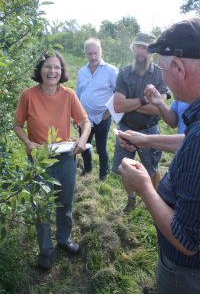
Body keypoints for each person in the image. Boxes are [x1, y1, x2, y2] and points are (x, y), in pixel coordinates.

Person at [118, 18, 200, 294]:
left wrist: (144, 188)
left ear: (177, 67)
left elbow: (187, 241)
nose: (163, 77)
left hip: (185, 273)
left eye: (163, 69)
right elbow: (188, 141)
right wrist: (145, 139)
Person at [13, 51, 91, 270]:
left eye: (56, 67)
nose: (52, 71)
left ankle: (64, 240)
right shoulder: (27, 95)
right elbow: (17, 125)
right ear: (40, 70)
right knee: (41, 206)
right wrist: (28, 144)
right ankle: (45, 250)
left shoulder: (68, 95)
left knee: (65, 203)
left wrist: (83, 141)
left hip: (66, 157)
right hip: (39, 160)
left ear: (62, 71)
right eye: (48, 67)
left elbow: (85, 122)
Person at [112, 32, 170, 214]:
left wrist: (130, 104)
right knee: (125, 168)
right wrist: (145, 100)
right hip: (126, 130)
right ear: (133, 49)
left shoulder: (160, 74)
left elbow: (159, 108)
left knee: (152, 168)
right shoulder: (123, 73)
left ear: (151, 51)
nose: (141, 51)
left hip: (150, 130)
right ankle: (131, 200)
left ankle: (154, 201)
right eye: (138, 46)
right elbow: (118, 105)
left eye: (145, 47)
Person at [76, 37, 118, 181]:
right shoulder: (82, 71)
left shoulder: (111, 71)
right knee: (84, 144)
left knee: (101, 148)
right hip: (84, 118)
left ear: (101, 52)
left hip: (102, 117)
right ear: (85, 53)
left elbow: (118, 93)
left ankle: (103, 173)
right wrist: (76, 115)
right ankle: (87, 167)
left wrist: (108, 113)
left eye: (96, 53)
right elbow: (78, 93)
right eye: (90, 53)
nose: (93, 56)